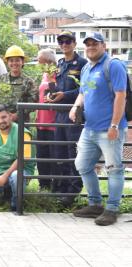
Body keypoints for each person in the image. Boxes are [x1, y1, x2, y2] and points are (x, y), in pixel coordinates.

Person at [70, 32, 128, 226]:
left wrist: (114, 124)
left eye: (95, 44)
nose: (91, 47)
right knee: (83, 165)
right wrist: (75, 106)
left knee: (114, 169)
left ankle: (112, 209)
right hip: (89, 128)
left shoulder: (114, 65)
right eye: (88, 44)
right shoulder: (87, 67)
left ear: (104, 45)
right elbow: (83, 93)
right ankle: (95, 204)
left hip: (109, 129)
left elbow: (121, 96)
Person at [46, 31, 87, 204]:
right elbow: (57, 88)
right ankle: (62, 188)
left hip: (74, 115)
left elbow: (84, 90)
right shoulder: (60, 63)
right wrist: (52, 95)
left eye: (68, 41)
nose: (64, 44)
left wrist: (65, 95)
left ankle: (72, 192)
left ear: (74, 43)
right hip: (59, 115)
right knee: (59, 152)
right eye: (61, 41)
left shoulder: (83, 63)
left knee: (72, 153)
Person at [0, 45, 38, 122]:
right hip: (2, 122)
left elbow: (34, 101)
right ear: (7, 63)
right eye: (11, 60)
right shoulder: (0, 80)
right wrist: (2, 113)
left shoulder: (29, 82)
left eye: (17, 60)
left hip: (21, 123)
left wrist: (18, 114)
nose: (14, 63)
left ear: (22, 62)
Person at [35, 49, 57, 191]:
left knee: (53, 156)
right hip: (41, 122)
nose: (38, 63)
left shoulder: (58, 74)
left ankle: (55, 186)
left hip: (53, 122)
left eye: (39, 60)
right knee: (41, 156)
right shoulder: (44, 75)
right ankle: (43, 185)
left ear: (48, 61)